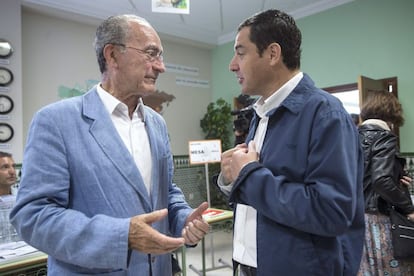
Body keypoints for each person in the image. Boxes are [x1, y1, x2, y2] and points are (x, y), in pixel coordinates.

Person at [10, 14, 209, 275]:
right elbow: (32, 216)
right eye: (151, 53)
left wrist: (184, 218)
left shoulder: (157, 123)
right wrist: (121, 235)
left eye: (161, 56)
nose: (161, 66)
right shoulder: (55, 121)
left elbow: (166, 192)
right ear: (112, 55)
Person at [216, 9, 365, 275]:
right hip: (252, 265)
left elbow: (332, 212)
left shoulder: (325, 114)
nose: (232, 65)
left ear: (273, 54)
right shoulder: (260, 115)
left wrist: (248, 176)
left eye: (240, 52)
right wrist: (233, 177)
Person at [357, 90, 414, 275]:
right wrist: (409, 208)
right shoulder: (385, 138)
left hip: (356, 218)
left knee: (367, 269)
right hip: (379, 220)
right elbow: (381, 181)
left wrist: (396, 174)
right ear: (392, 112)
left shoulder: (351, 137)